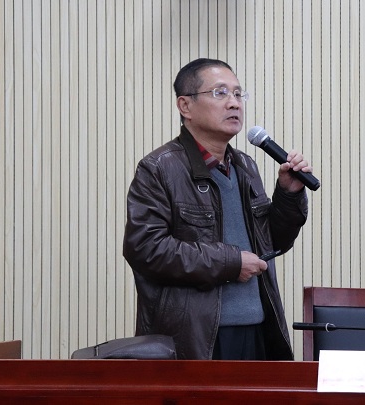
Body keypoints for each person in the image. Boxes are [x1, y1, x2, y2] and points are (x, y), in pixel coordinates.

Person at [123, 58, 313, 360]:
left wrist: (289, 195)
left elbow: (271, 243)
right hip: (197, 338)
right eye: (220, 93)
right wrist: (230, 263)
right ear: (185, 106)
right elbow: (146, 249)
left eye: (238, 94)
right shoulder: (159, 167)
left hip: (256, 328)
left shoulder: (245, 166)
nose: (234, 103)